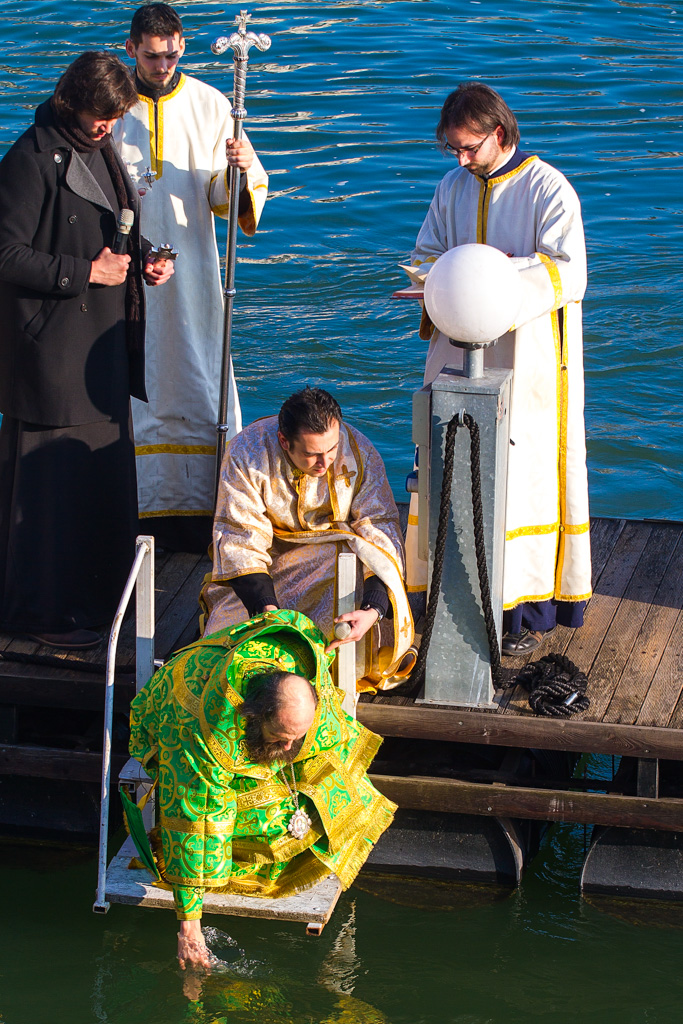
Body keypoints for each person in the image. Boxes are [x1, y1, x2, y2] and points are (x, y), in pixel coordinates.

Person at [406, 82, 591, 656]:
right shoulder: (452, 187)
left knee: (524, 469)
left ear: (500, 133)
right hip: (456, 344)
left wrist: (494, 276)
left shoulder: (547, 188)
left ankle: (523, 611)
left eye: (469, 147)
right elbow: (426, 254)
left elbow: (568, 272)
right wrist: (438, 279)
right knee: (447, 459)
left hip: (528, 353)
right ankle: (447, 592)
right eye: (453, 149)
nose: (461, 160)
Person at [0, 51, 173, 650]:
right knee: (48, 494)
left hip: (98, 352)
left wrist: (143, 258)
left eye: (116, 116)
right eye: (102, 115)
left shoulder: (97, 147)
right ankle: (40, 612)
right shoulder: (30, 159)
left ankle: (99, 602)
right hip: (52, 352)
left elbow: (111, 228)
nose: (109, 126)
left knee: (97, 479)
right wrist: (85, 273)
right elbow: (5, 253)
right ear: (71, 101)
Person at [128, 608, 397, 968]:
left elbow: (295, 624)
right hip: (172, 724)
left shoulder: (298, 655)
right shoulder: (204, 736)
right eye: (280, 737)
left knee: (333, 768)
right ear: (253, 716)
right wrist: (190, 929)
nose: (288, 747)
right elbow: (194, 819)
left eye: (294, 737)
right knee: (261, 816)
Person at [113, 3, 269, 553]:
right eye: (152, 56)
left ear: (182, 47)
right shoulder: (113, 103)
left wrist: (238, 170)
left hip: (195, 274)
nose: (163, 66)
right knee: (133, 382)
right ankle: (133, 510)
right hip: (125, 271)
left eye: (172, 55)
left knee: (199, 377)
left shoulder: (210, 103)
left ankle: (206, 510)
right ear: (131, 49)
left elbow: (226, 200)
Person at [200, 387, 415, 688]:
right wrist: (267, 610)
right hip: (267, 566)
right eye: (312, 454)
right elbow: (240, 537)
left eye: (332, 449)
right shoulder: (245, 453)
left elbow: (381, 529)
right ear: (283, 441)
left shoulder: (360, 451)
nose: (325, 463)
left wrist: (373, 608)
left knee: (358, 601)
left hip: (335, 561)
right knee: (221, 655)